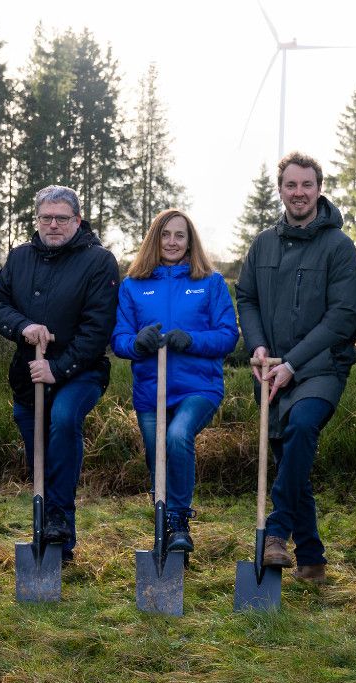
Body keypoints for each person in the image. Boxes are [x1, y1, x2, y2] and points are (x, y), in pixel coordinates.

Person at [235, 152, 356, 584]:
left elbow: (343, 315)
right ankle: (311, 560)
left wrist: (294, 362)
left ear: (319, 188)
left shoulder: (339, 247)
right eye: (291, 185)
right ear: (281, 189)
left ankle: (275, 532)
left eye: (307, 185)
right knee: (293, 457)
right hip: (269, 369)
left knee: (302, 429)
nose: (299, 193)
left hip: (322, 368)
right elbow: (246, 298)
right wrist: (257, 346)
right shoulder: (263, 243)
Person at [0, 185, 119, 565]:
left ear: (77, 220)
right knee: (38, 452)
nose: (53, 225)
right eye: (47, 217)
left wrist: (57, 369)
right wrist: (22, 326)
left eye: (62, 218)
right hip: (28, 375)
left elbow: (98, 329)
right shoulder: (20, 257)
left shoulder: (99, 261)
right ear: (37, 220)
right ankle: (51, 536)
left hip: (81, 372)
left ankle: (59, 520)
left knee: (62, 420)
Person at [111, 209, 238, 553]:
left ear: (189, 241)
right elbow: (119, 338)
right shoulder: (134, 286)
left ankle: (180, 521)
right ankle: (165, 523)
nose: (172, 242)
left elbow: (228, 336)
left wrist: (193, 340)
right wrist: (137, 343)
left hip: (199, 387)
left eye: (179, 235)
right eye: (165, 235)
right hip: (152, 390)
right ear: (155, 239)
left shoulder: (210, 283)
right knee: (157, 457)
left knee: (178, 435)